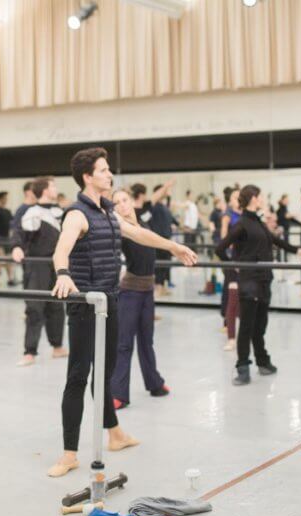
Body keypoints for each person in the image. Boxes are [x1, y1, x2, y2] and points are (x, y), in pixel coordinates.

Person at [47, 147, 197, 478]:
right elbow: (61, 251)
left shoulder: (107, 212)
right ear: (87, 177)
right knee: (78, 377)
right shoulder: (77, 214)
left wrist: (173, 246)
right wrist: (63, 274)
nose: (109, 174)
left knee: (105, 374)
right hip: (86, 305)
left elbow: (138, 232)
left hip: (111, 302)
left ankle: (114, 435)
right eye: (103, 170)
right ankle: (69, 454)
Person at [216, 185, 301, 385]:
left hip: (264, 280)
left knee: (260, 326)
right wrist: (234, 266)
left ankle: (262, 361)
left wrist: (300, 252)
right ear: (253, 198)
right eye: (259, 196)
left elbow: (276, 241)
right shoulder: (242, 224)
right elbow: (220, 248)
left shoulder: (258, 222)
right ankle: (242, 367)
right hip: (249, 282)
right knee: (247, 327)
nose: (261, 199)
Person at [109, 188, 170, 408]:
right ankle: (118, 393)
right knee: (124, 343)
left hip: (147, 291)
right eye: (117, 202)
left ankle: (154, 383)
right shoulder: (121, 230)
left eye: (125, 200)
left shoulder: (144, 224)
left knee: (147, 340)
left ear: (132, 201)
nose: (122, 204)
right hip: (130, 293)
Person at [11, 178, 67, 367]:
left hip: (57, 264)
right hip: (37, 265)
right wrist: (16, 247)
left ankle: (57, 347)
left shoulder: (61, 212)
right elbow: (18, 233)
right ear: (44, 190)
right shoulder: (31, 212)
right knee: (35, 306)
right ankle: (30, 352)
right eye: (53, 186)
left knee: (57, 306)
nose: (56, 189)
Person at [220, 188, 242, 351]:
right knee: (232, 295)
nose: (238, 199)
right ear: (230, 200)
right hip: (231, 258)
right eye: (235, 197)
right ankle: (230, 332)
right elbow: (223, 237)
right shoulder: (228, 215)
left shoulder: (246, 215)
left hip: (245, 260)